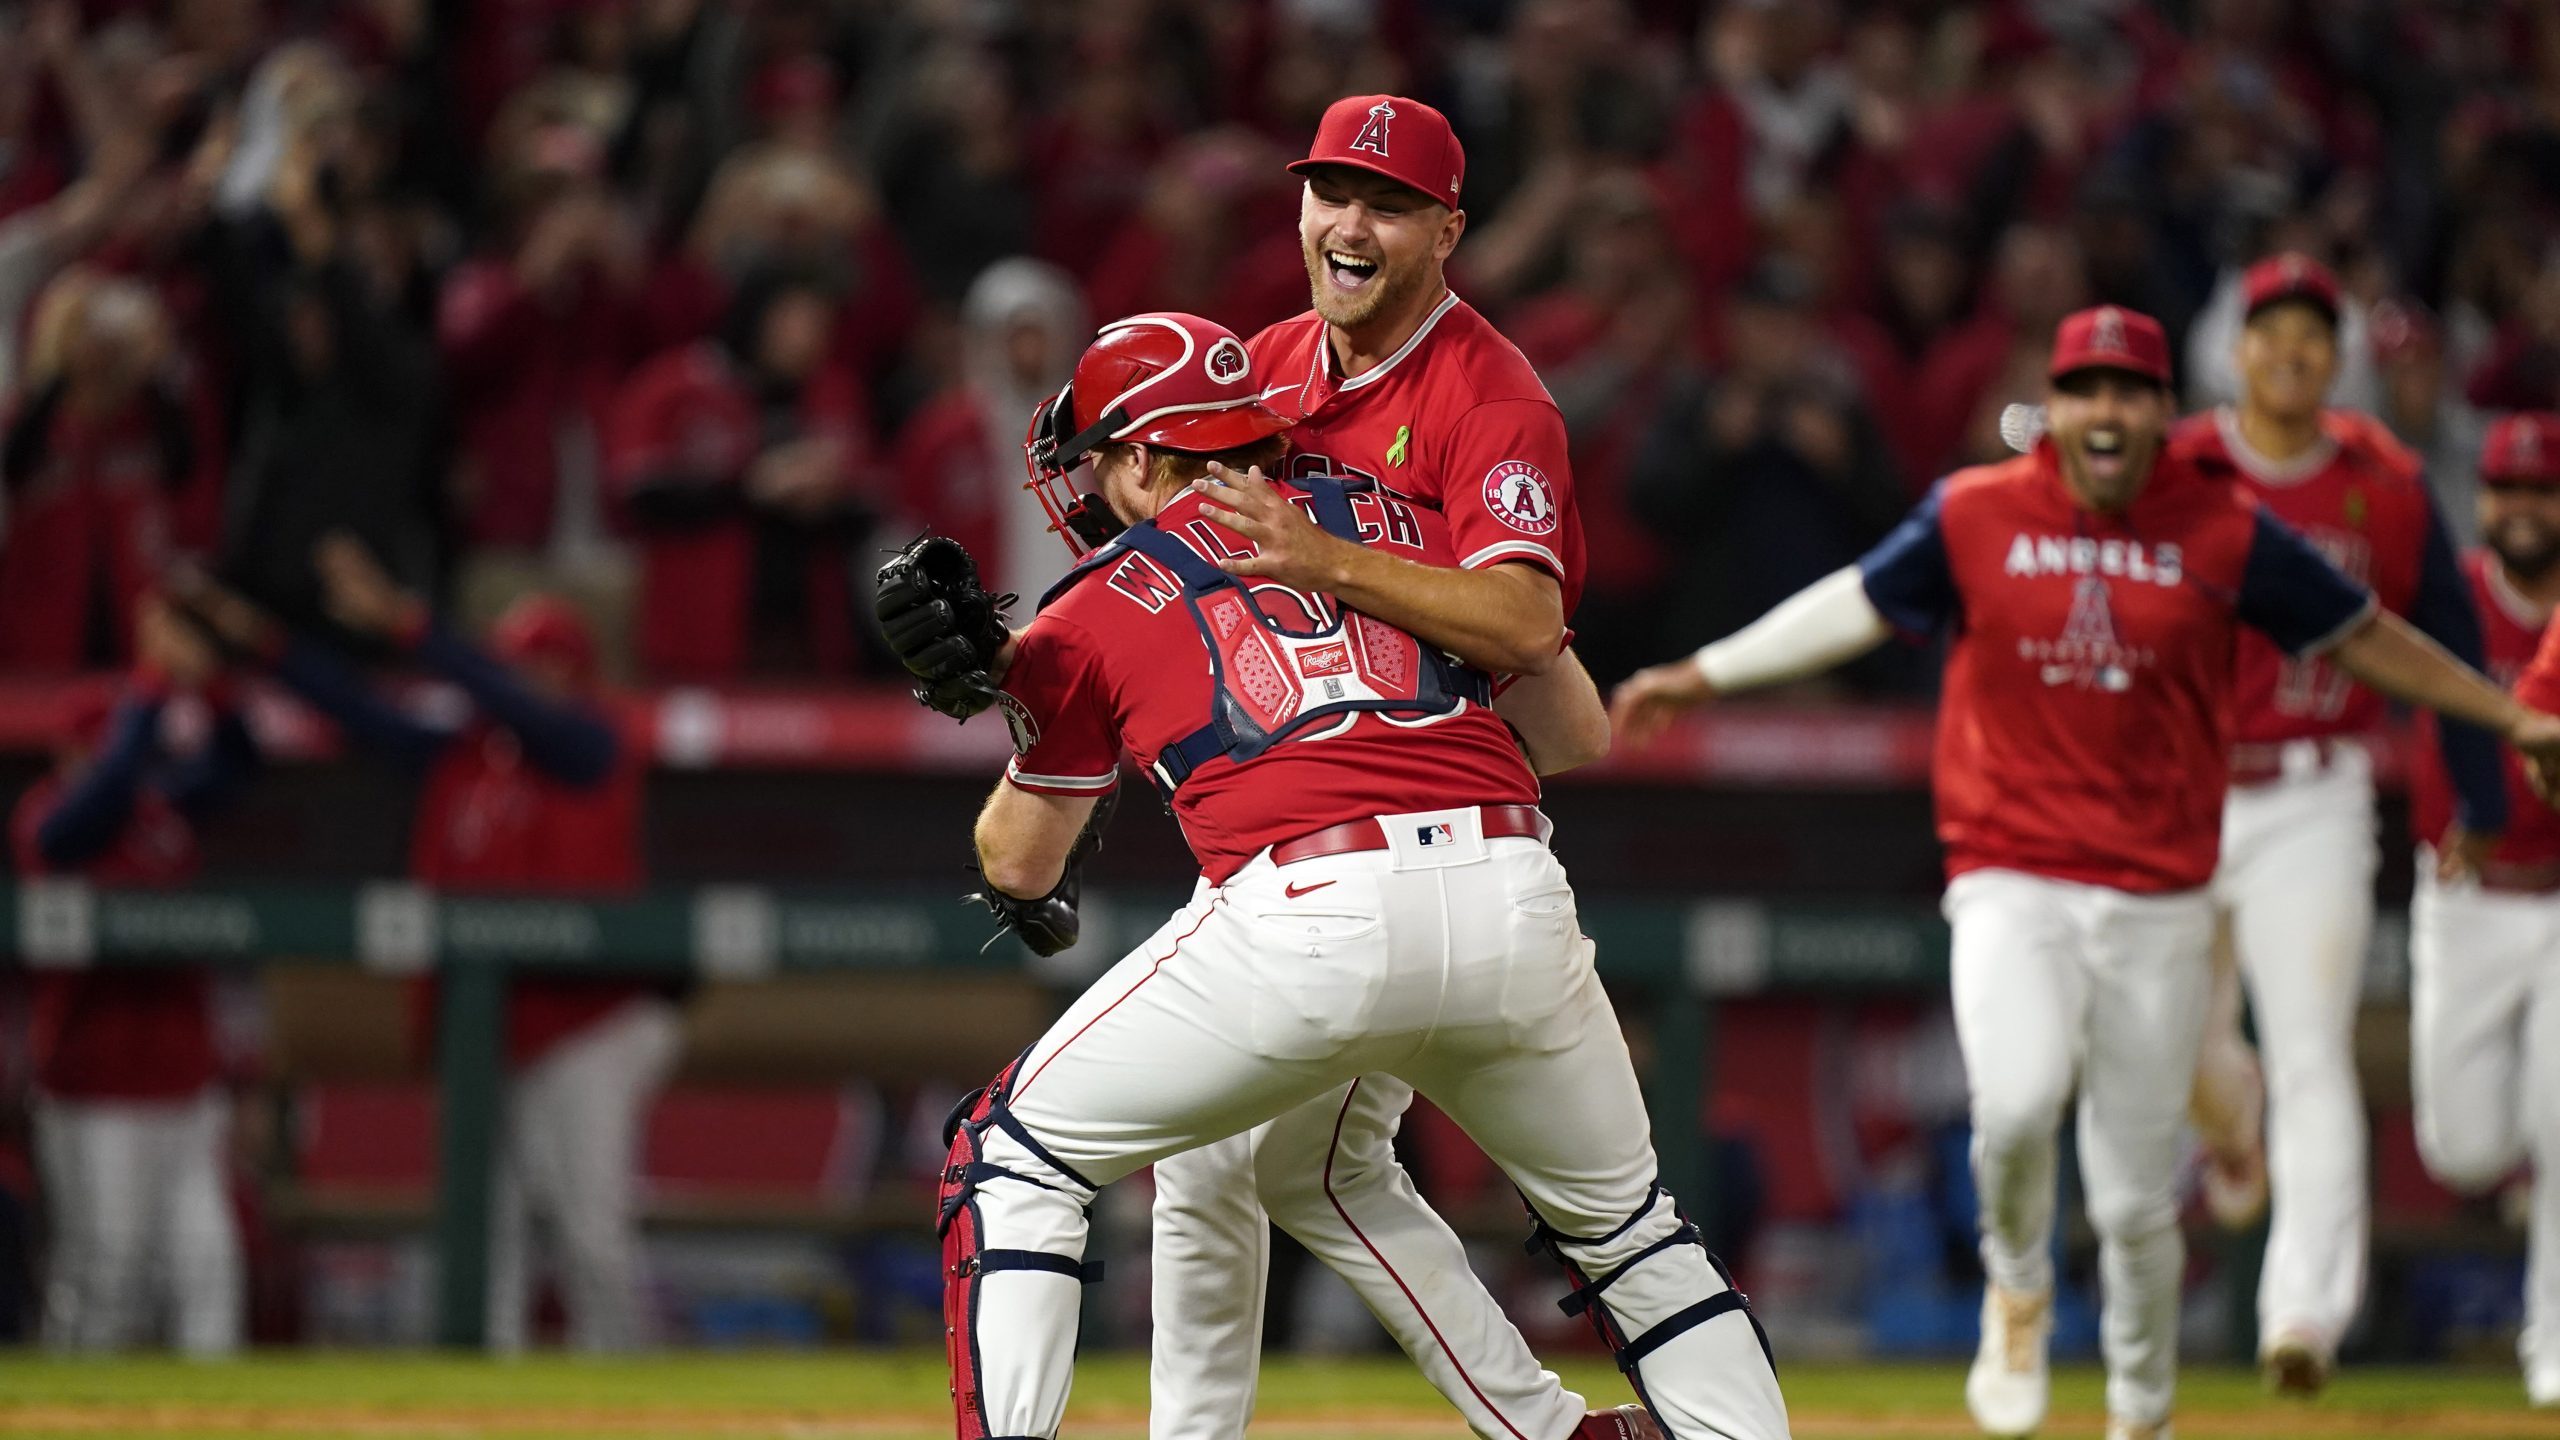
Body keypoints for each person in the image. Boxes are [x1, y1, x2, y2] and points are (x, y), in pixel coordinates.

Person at [1608, 306, 2560, 1440]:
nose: (2106, 410)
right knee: (2011, 1106)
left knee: (2130, 1189)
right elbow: (1857, 602)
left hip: (2158, 888)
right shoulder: (1974, 511)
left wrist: (2506, 714)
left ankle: (2141, 1414)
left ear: (2165, 413)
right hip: (2013, 870)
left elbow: (2362, 633)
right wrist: (1704, 674)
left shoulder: (2221, 525)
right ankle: (2016, 1290)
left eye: (2129, 390)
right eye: (2085, 389)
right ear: (2052, 408)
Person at [912, 309, 1787, 1440]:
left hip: (1307, 909)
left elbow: (1020, 867)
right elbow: (1572, 730)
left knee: (1006, 1155)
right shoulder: (1402, 522)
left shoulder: (1093, 603)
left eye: (1098, 460)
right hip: (1513, 882)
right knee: (1629, 1235)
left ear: (1139, 457)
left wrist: (1022, 707)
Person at [1150, 94, 1655, 1440]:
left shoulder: (1490, 393)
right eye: (1329, 192)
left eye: (1383, 201)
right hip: (1290, 816)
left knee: (1225, 1156)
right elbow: (1165, 544)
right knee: (1276, 1168)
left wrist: (1328, 563)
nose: (1347, 223)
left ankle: (1571, 1416)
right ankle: (1550, 1428)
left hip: (1420, 818)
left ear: (1447, 229)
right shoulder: (1263, 368)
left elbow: (1529, 629)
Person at [178, 536, 673, 1352]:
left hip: (586, 1026)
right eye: (518, 663)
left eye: (545, 665)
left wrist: (408, 624)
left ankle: (638, 1401)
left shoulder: (593, 744)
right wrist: (253, 638)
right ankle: (494, 1399)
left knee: (589, 1230)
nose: (526, 680)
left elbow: (525, 712)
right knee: (485, 1231)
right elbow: (354, 709)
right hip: (492, 1030)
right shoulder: (465, 753)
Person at [2169, 252, 2506, 1393]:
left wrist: (2480, 788)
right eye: (2270, 327)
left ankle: (2304, 1312)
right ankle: (2225, 1123)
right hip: (2177, 786)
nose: (2292, 348)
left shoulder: (2384, 478)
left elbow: (2448, 641)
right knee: (2173, 1047)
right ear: (2237, 344)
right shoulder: (2178, 465)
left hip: (2313, 790)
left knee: (2311, 1048)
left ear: (2339, 352)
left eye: (2313, 330)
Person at [13, 598, 258, 1353]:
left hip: (183, 1079)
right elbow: (105, 792)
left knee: (208, 1266)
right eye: (90, 748)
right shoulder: (49, 818)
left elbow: (237, 762)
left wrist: (207, 680)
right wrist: (153, 682)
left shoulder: (159, 810)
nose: (109, 758)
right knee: (104, 1273)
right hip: (93, 1084)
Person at [2413, 412, 2560, 1408]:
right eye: (2504, 489)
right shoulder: (2451, 596)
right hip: (2468, 897)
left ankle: (2551, 1343)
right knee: (2462, 1146)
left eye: (2540, 489)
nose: (2520, 507)